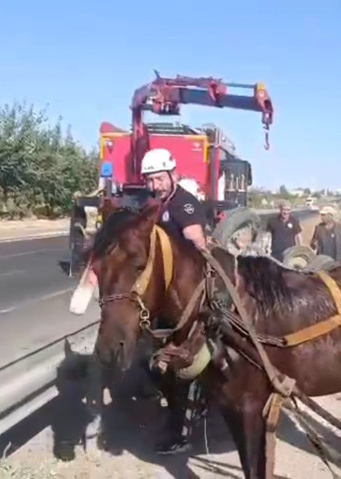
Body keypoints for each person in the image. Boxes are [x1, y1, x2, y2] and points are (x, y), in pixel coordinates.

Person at [140, 147, 209, 455]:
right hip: (167, 296)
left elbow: (198, 246)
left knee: (187, 367)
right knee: (158, 361)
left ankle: (182, 432)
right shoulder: (157, 204)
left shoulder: (184, 204)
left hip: (188, 298)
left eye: (159, 178)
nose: (155, 185)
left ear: (172, 175)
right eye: (150, 180)